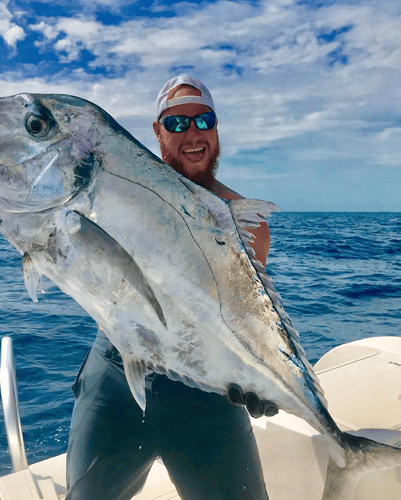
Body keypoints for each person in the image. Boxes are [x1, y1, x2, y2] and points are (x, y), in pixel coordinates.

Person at [66, 76, 276, 500]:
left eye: (204, 120)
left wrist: (256, 376)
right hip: (116, 374)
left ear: (217, 131)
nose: (193, 134)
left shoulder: (247, 228)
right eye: (176, 124)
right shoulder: (119, 193)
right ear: (157, 132)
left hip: (208, 394)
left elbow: (241, 319)